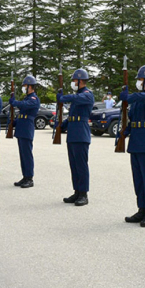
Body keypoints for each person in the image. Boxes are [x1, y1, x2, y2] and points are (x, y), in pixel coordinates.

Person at [119, 65, 145, 227]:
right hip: (136, 142)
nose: (138, 82)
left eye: (140, 80)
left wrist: (129, 96)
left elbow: (143, 98)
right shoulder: (138, 99)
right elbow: (132, 117)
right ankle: (142, 208)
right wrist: (125, 132)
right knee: (138, 179)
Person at [57, 69, 95, 205]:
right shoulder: (77, 95)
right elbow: (72, 116)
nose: (72, 83)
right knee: (73, 165)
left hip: (81, 134)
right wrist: (61, 125)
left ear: (80, 81)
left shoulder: (87, 94)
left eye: (74, 81)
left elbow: (77, 99)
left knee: (81, 165)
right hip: (73, 133)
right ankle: (77, 191)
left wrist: (63, 98)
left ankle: (84, 194)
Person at [11, 76, 41, 188]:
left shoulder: (33, 99)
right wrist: (14, 122)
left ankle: (29, 178)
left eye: (24, 86)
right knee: (23, 155)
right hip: (21, 127)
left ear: (30, 86)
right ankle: (25, 176)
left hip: (27, 129)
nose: (23, 88)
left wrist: (15, 102)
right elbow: (22, 112)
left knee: (27, 155)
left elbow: (25, 106)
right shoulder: (26, 98)